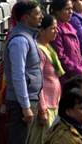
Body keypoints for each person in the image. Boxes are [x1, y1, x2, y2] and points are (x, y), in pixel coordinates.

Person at [4, 0, 43, 144]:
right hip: (20, 103)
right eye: (37, 14)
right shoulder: (20, 40)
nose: (41, 16)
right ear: (26, 18)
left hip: (31, 98)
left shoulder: (29, 36)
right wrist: (25, 107)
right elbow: (18, 75)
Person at [28, 15, 64, 144]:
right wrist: (42, 108)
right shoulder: (39, 51)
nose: (56, 31)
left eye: (56, 28)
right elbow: (38, 81)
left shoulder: (48, 48)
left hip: (54, 103)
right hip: (45, 106)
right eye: (52, 28)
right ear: (42, 30)